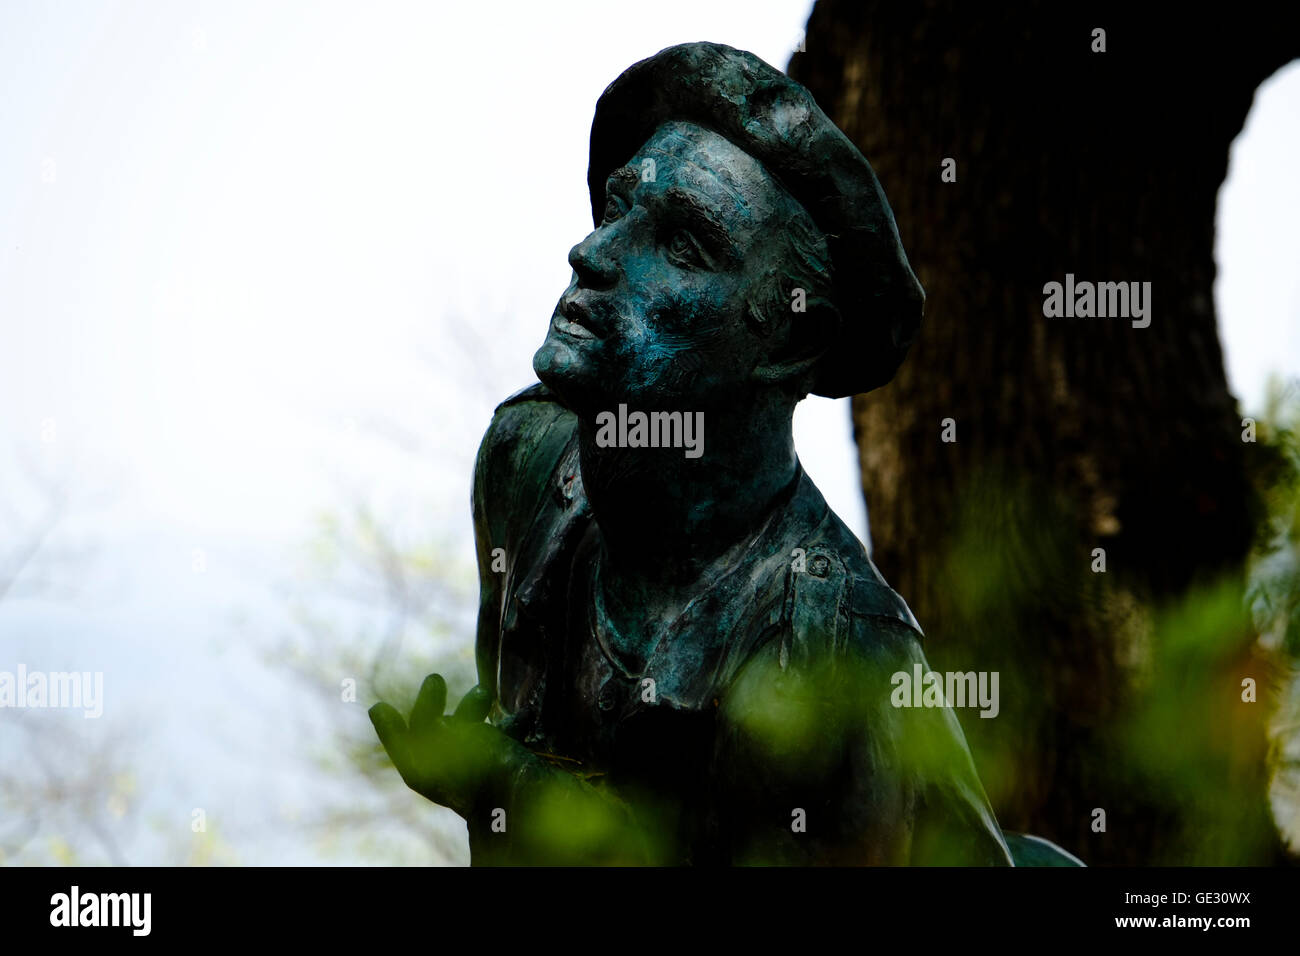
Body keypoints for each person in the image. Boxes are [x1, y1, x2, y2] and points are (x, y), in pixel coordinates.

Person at [371, 41, 1018, 866]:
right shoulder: (525, 463)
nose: (593, 257)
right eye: (615, 211)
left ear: (793, 337)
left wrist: (512, 790)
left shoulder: (837, 654)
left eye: (683, 247)